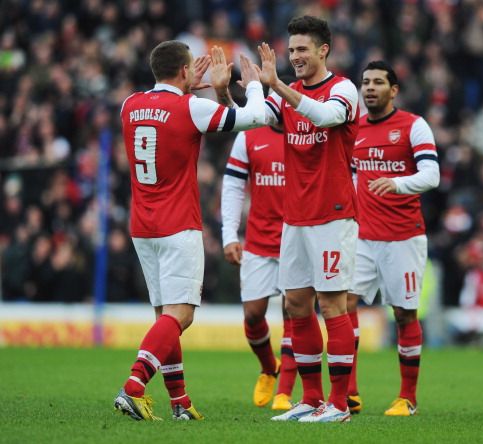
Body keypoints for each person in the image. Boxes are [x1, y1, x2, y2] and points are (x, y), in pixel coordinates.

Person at [114, 40, 266, 421]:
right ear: (186, 71)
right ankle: (134, 386)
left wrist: (187, 88)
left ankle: (180, 403)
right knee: (181, 315)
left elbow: (164, 110)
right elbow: (255, 119)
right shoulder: (190, 107)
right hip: (177, 224)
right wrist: (251, 86)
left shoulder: (129, 104)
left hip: (142, 226)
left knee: (165, 317)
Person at [256, 16, 360, 423]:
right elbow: (256, 118)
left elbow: (325, 117)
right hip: (295, 218)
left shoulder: (344, 89)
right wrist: (229, 95)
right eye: (291, 49)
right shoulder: (290, 93)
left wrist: (277, 86)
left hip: (333, 216)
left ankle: (339, 404)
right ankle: (311, 398)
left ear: (323, 51)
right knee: (296, 304)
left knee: (332, 305)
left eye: (302, 49)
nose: (295, 56)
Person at [348, 61, 440, 416]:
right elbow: (351, 176)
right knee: (343, 306)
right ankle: (350, 392)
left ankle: (407, 397)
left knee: (403, 314)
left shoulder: (413, 126)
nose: (369, 88)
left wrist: (397, 183)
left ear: (393, 90)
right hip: (361, 236)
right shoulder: (353, 129)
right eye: (365, 82)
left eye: (377, 83)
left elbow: (431, 174)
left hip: (403, 237)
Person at [221, 123, 298, 411]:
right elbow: (232, 185)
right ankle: (269, 368)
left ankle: (285, 392)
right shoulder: (249, 136)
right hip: (258, 242)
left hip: (297, 239)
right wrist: (230, 235)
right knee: (253, 315)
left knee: (294, 311)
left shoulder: (307, 132)